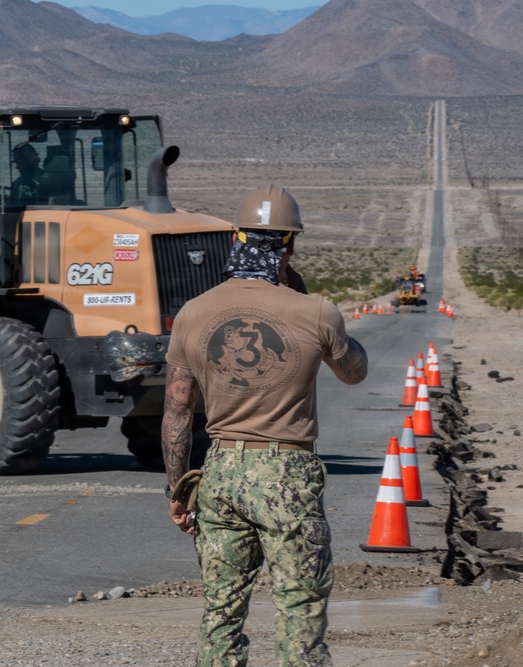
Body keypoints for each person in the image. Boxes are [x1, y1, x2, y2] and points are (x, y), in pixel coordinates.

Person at [162, 185, 368, 667]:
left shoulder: (193, 313)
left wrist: (177, 491)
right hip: (287, 474)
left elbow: (177, 413)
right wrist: (311, 304)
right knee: (299, 608)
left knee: (221, 610)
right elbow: (354, 371)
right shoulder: (315, 311)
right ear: (290, 245)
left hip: (220, 473)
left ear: (236, 238)